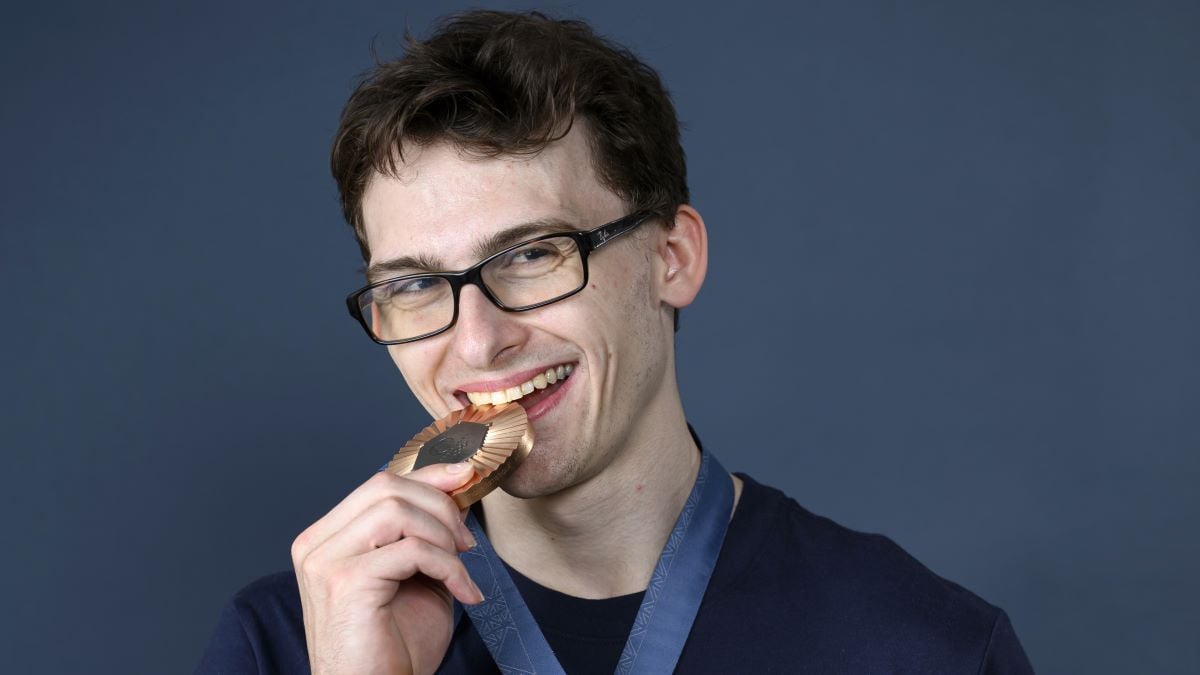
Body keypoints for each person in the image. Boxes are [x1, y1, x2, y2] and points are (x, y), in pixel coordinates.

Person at [196, 10, 1034, 674]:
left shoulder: (924, 650)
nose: (478, 341)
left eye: (531, 255)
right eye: (415, 285)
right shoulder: (290, 643)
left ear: (672, 258)